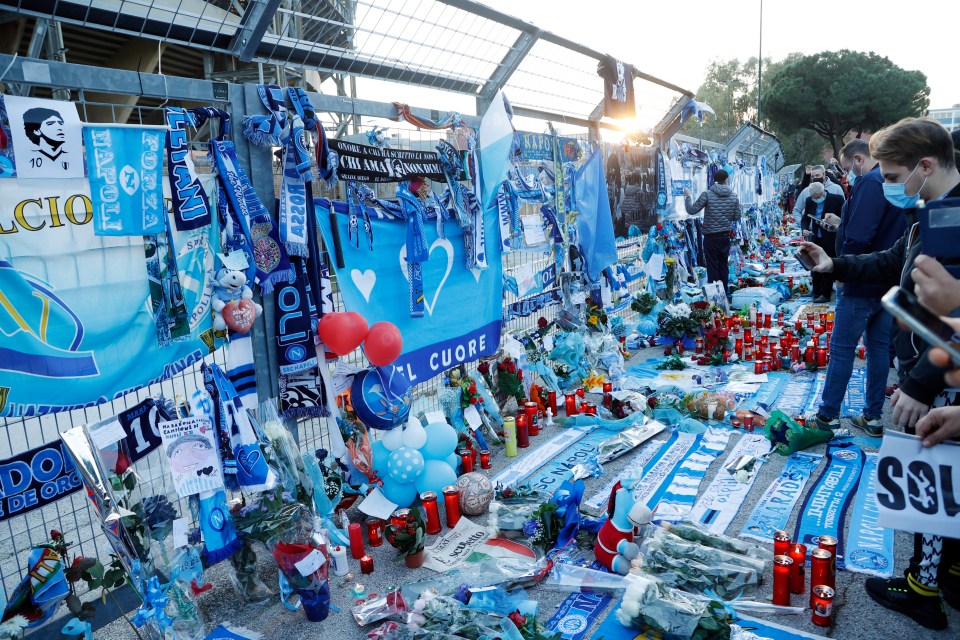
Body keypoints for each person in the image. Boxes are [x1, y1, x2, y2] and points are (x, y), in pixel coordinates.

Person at [800, 117, 960, 630]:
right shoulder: (929, 216)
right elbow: (892, 262)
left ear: (926, 166)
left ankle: (922, 588)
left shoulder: (954, 221)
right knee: (950, 479)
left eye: (893, 174)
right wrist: (832, 265)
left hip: (941, 381)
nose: (887, 185)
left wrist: (920, 385)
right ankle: (950, 570)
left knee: (932, 482)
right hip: (929, 371)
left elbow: (951, 320)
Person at [807, 139, 905, 437]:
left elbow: (860, 236)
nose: (845, 174)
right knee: (877, 350)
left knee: (842, 349)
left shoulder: (872, 183)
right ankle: (873, 416)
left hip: (863, 281)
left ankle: (827, 415)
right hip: (886, 282)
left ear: (859, 159)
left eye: (847, 168)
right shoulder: (890, 184)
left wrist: (842, 268)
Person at [683, 169, 740, 295]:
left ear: (714, 180)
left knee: (712, 266)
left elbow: (692, 210)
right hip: (724, 236)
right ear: (726, 179)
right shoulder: (734, 196)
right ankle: (724, 293)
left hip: (710, 237)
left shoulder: (707, 194)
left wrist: (687, 196)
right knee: (723, 265)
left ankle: (715, 297)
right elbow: (737, 217)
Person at [799, 181, 843, 302]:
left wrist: (833, 222)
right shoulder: (809, 200)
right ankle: (816, 292)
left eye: (818, 197)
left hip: (830, 237)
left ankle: (825, 294)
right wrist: (805, 229)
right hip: (816, 237)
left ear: (823, 192)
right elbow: (805, 218)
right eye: (814, 198)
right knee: (814, 265)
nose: (816, 200)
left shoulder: (837, 199)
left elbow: (843, 218)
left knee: (826, 265)